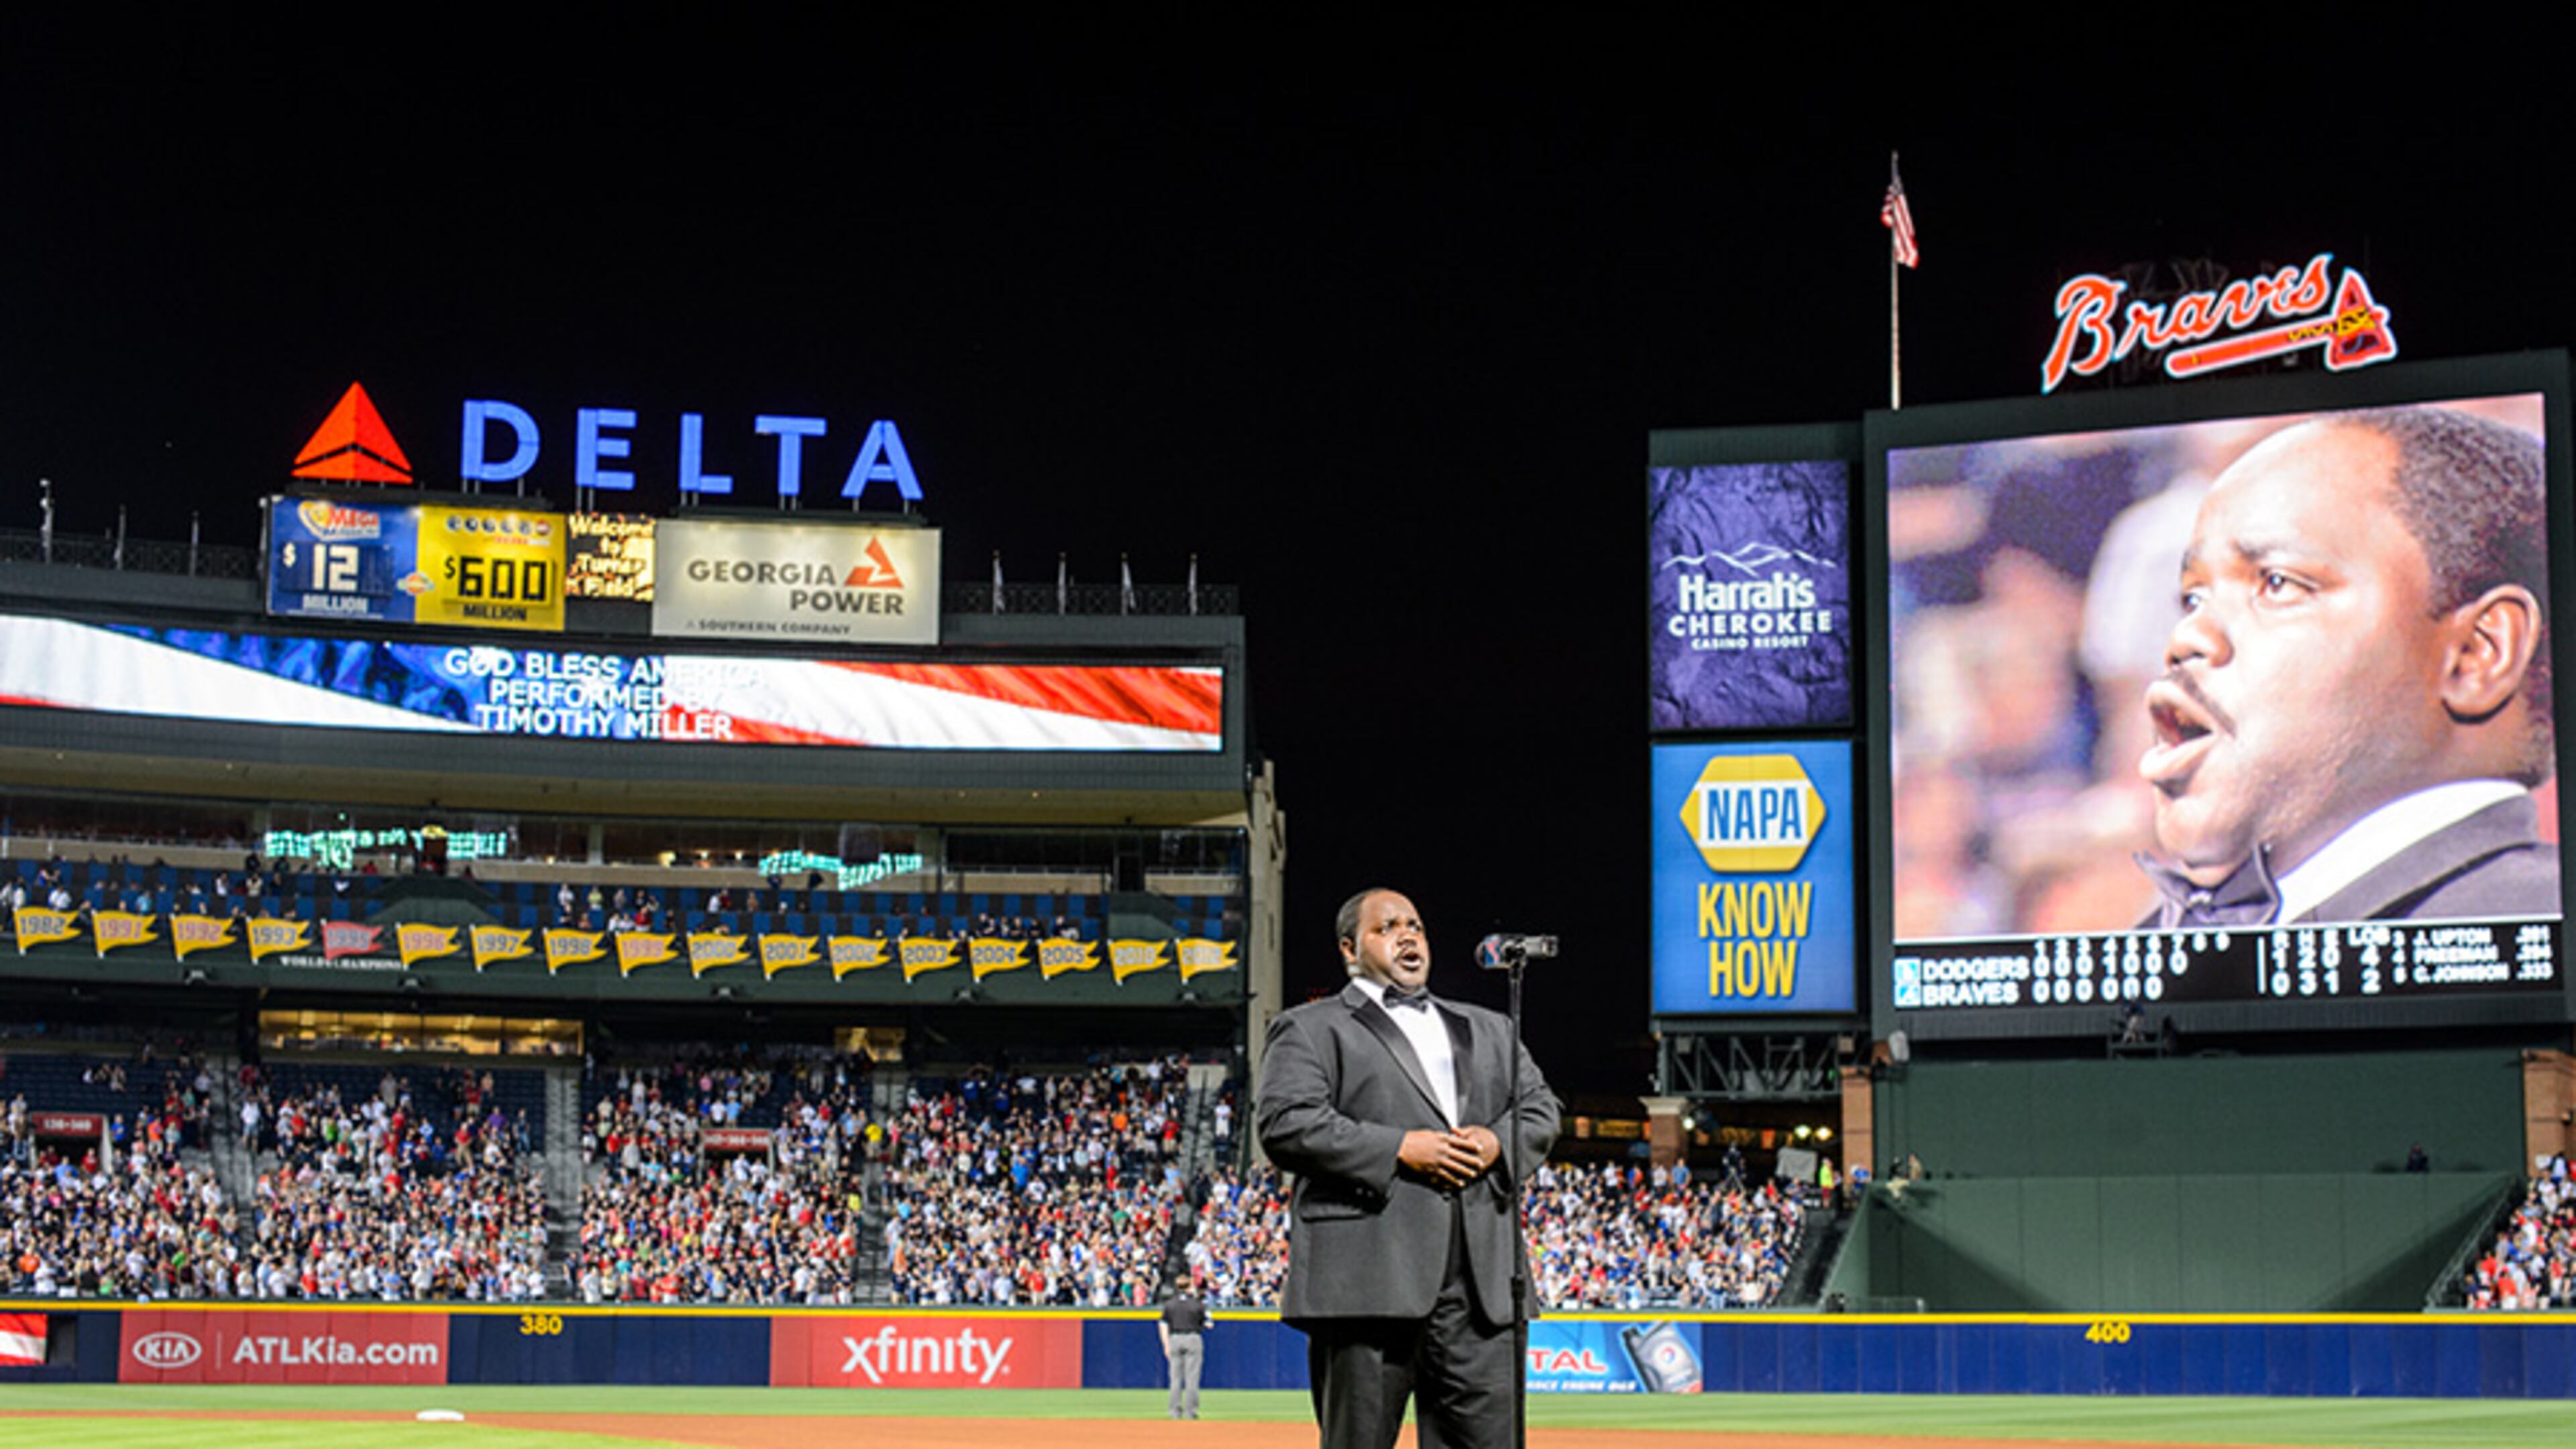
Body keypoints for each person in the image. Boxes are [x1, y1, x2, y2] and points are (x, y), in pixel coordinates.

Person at [2136, 406, 2558, 926]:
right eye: (2193, 599)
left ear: (2475, 655)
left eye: (2277, 583)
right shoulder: (2153, 943)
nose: (2186, 638)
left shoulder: (2544, 923)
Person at [1257, 887, 1559, 1449]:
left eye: (1415, 925)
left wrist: (1496, 1143)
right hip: (1368, 1283)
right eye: (1388, 926)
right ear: (1351, 949)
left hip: (1481, 1290)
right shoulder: (1309, 1028)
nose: (1408, 934)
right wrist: (1400, 1147)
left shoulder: (1491, 1027)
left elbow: (1541, 1111)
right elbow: (1286, 1124)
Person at [1158, 1273, 1210, 1419]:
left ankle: (1174, 1412)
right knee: (1192, 1378)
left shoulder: (1170, 1304)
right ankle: (1190, 1412)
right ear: (1189, 1286)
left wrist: (1166, 1345)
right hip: (1193, 1337)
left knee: (1175, 1378)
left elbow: (1163, 1325)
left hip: (1174, 1338)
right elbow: (1208, 1323)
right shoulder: (1197, 1304)